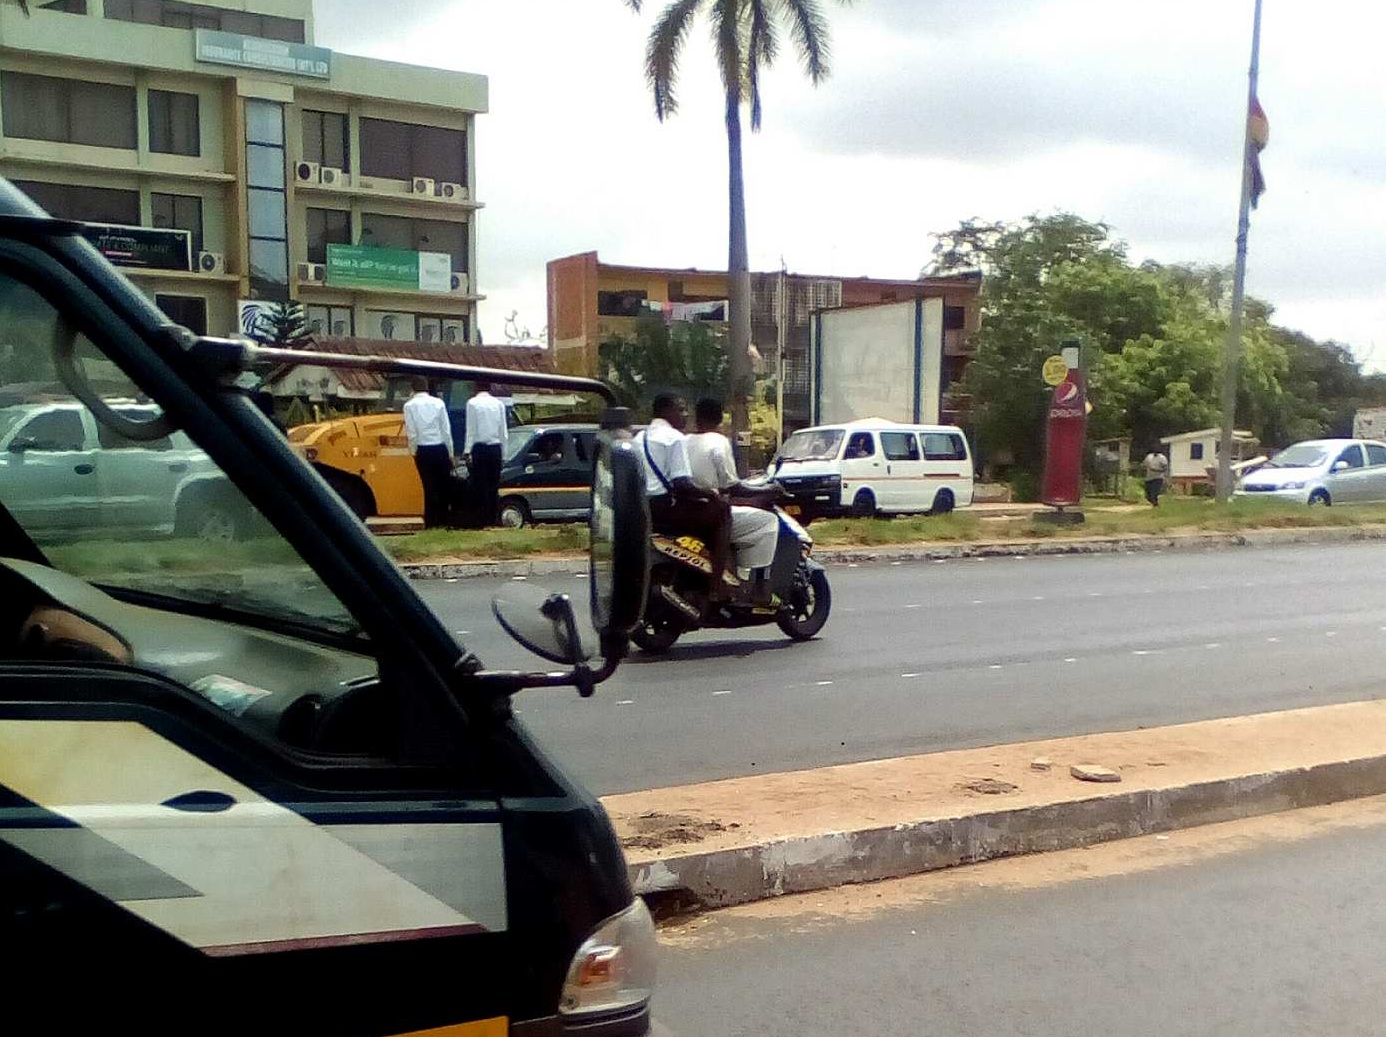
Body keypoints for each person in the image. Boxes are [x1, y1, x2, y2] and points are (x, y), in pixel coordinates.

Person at [634, 393, 733, 598]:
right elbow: (682, 485)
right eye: (680, 409)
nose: (685, 415)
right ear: (665, 411)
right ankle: (717, 583)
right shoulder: (674, 438)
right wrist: (711, 494)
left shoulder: (639, 438)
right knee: (722, 513)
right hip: (665, 509)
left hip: (642, 509)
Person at [687, 398, 782, 604]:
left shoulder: (684, 442)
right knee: (768, 521)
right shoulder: (718, 442)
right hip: (709, 512)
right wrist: (768, 489)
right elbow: (733, 486)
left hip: (686, 511)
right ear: (720, 419)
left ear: (696, 419)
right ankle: (760, 587)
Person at [402, 376, 454, 529]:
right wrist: (450, 452)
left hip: (423, 449)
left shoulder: (409, 406)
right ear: (427, 387)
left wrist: (413, 451)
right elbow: (446, 430)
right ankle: (445, 520)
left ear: (412, 389)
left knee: (428, 486)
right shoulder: (438, 403)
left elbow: (412, 432)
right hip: (440, 447)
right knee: (443, 485)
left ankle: (431, 522)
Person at [464, 380, 508, 526]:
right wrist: (505, 453)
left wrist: (467, 450)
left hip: (479, 448)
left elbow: (471, 429)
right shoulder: (498, 404)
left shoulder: (472, 403)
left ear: (476, 387)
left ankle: (480, 519)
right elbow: (503, 431)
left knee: (479, 484)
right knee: (494, 485)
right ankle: (493, 518)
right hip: (495, 447)